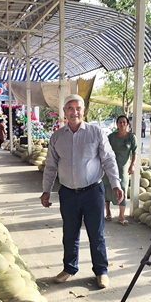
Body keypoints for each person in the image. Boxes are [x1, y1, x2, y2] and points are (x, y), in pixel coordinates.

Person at [40, 94, 123, 289]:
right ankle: (69, 268)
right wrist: (46, 190)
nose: (74, 111)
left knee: (96, 233)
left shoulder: (96, 133)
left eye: (78, 108)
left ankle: (101, 271)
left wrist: (116, 184)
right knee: (70, 233)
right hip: (68, 193)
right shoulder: (57, 137)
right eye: (70, 108)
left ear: (83, 111)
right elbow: (50, 166)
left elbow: (109, 160)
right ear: (64, 112)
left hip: (93, 192)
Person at [103, 115, 137, 225]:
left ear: (127, 124)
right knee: (107, 186)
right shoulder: (111, 137)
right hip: (110, 166)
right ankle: (107, 212)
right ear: (117, 124)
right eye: (120, 122)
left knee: (122, 187)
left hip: (123, 166)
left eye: (124, 122)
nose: (122, 124)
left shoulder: (131, 137)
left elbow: (134, 152)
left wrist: (132, 165)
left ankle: (121, 215)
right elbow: (104, 150)